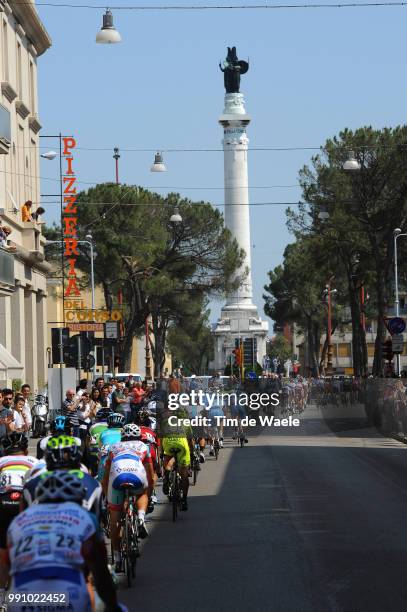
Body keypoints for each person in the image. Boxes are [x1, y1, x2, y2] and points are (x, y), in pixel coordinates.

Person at [5, 471, 126, 612]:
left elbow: (7, 564)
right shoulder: (83, 517)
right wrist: (113, 606)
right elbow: (100, 571)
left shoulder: (18, 522)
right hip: (68, 590)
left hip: (22, 593)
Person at [102, 423, 154, 571]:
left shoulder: (114, 447)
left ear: (122, 436)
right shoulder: (143, 446)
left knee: (115, 521)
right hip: (136, 475)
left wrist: (107, 497)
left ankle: (117, 558)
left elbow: (105, 478)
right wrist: (149, 491)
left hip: (117, 478)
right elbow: (150, 473)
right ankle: (141, 518)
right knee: (142, 492)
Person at [0, 433, 37, 588]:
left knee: (2, 550)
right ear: (26, 450)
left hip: (3, 503)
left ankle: (1, 596)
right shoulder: (34, 461)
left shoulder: (1, 461)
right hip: (24, 504)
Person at [161, 406, 193, 511]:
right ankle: (184, 499)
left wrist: (162, 452)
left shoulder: (167, 421)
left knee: (168, 460)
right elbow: (190, 441)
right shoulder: (186, 423)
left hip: (168, 443)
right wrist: (191, 453)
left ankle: (166, 478)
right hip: (182, 445)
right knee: (184, 475)